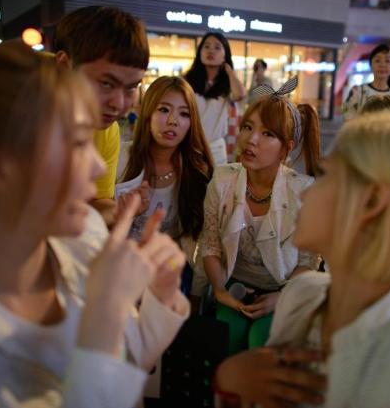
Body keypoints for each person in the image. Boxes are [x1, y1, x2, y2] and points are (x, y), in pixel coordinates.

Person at [0, 43, 189, 407]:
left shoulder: (85, 234)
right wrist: (107, 309)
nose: (96, 166)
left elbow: (127, 364)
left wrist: (159, 293)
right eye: (77, 142)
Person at [215, 112, 390, 408]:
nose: (307, 192)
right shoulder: (301, 294)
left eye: (328, 176)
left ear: (372, 201)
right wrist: (234, 380)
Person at [199, 77, 321, 355]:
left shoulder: (303, 191)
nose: (251, 140)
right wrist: (219, 290)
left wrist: (281, 297)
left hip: (282, 291)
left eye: (268, 134)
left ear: (286, 149)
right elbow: (210, 243)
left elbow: (309, 261)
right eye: (247, 127)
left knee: (261, 342)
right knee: (226, 336)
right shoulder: (222, 179)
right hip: (233, 287)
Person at [53, 6, 149, 226]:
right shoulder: (13, 110)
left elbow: (97, 200)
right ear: (64, 66)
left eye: (131, 87)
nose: (118, 104)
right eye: (106, 83)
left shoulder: (107, 130)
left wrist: (120, 211)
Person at [117, 76, 214, 292]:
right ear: (148, 112)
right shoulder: (122, 157)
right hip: (122, 265)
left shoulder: (196, 171)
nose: (173, 121)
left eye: (184, 114)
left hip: (169, 269)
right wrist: (126, 213)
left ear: (192, 122)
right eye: (163, 110)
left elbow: (200, 239)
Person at [185, 32, 246, 166]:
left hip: (215, 149)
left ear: (225, 55)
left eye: (217, 47)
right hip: (189, 146)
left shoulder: (227, 84)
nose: (210, 50)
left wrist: (229, 71)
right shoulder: (188, 81)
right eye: (206, 46)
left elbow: (240, 94)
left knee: (215, 186)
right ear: (200, 52)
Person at [343, 44, 390, 120]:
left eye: (387, 61)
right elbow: (348, 118)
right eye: (377, 60)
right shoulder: (357, 91)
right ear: (371, 65)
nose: (382, 65)